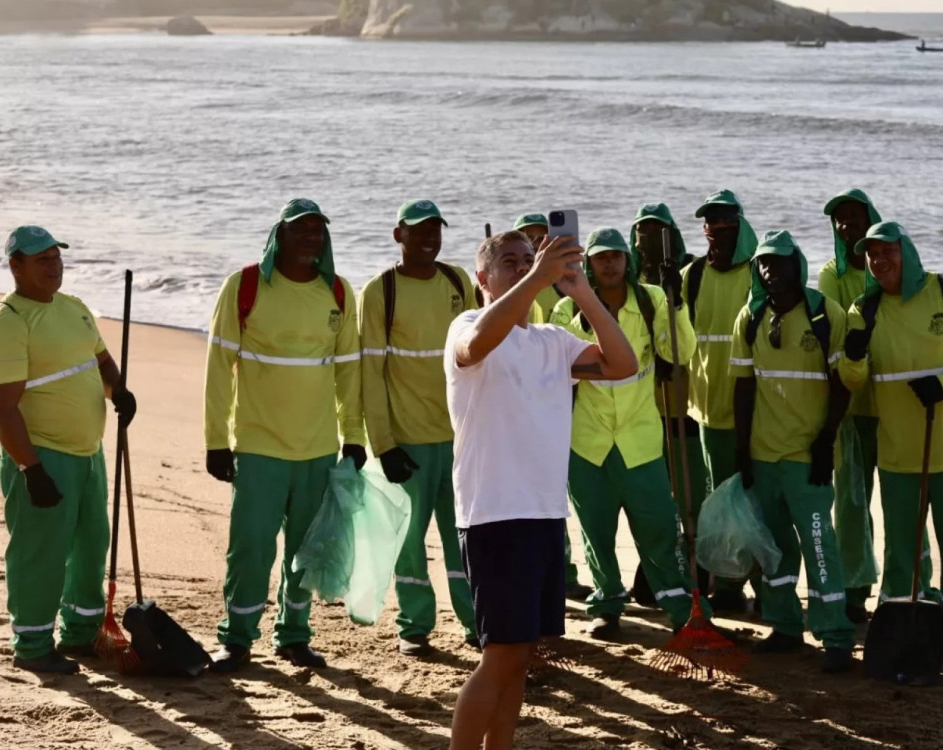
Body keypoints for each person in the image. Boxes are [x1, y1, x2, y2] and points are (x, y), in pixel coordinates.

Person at [445, 230, 635, 750]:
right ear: (483, 278)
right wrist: (536, 278)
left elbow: (623, 364)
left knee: (520, 654)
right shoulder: (467, 326)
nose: (526, 267)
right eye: (510, 262)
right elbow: (475, 345)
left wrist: (581, 292)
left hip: (545, 514)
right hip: (495, 515)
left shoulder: (552, 341)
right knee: (500, 656)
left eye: (530, 260)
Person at [203, 198, 365, 672]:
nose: (311, 238)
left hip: (318, 448)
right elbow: (217, 366)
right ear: (280, 235)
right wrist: (216, 439)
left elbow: (349, 371)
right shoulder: (246, 286)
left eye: (317, 230)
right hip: (258, 445)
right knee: (251, 546)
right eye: (301, 230)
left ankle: (293, 635)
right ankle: (236, 639)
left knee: (306, 550)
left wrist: (353, 436)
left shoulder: (337, 291)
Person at [839, 221, 943, 666]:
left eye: (886, 251)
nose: (879, 261)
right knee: (902, 552)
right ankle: (899, 623)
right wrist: (852, 354)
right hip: (898, 456)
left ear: (905, 251)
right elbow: (853, 382)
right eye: (872, 255)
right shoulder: (864, 309)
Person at [0, 225, 136, 674]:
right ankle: (31, 647)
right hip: (43, 456)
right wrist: (31, 469)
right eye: (41, 259)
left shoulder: (76, 309)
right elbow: (1, 408)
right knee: (40, 550)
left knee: (90, 546)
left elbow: (103, 364)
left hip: (90, 453)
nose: (53, 266)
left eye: (56, 257)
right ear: (15, 266)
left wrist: (119, 391)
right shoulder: (7, 321)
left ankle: (80, 635)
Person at [550, 228, 697, 639]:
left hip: (640, 437)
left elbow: (680, 353)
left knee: (659, 527)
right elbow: (561, 367)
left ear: (627, 259)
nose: (610, 264)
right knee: (596, 530)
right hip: (587, 440)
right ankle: (606, 604)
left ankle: (678, 605)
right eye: (600, 258)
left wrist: (677, 302)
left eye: (616, 256)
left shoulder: (651, 300)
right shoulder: (566, 309)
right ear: (588, 264)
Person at [730, 230, 855, 673]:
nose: (769, 270)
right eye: (763, 263)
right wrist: (742, 450)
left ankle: (835, 634)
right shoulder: (750, 316)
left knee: (820, 544)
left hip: (808, 456)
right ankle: (784, 626)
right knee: (774, 550)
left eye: (779, 263)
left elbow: (843, 384)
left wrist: (825, 442)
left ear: (796, 266)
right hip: (765, 456)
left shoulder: (826, 315)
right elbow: (743, 387)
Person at [360, 200, 480, 657]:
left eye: (436, 230)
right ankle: (414, 626)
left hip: (460, 437)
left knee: (465, 535)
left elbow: (479, 355)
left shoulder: (457, 282)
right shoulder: (379, 292)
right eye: (419, 231)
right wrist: (383, 444)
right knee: (410, 542)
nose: (429, 239)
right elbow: (370, 373)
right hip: (407, 440)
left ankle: (476, 621)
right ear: (399, 236)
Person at [629, 202, 708, 604]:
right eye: (642, 230)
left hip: (685, 404)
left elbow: (693, 333)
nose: (647, 238)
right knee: (658, 499)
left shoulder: (690, 273)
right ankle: (656, 570)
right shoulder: (629, 281)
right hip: (644, 409)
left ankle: (697, 572)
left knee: (691, 495)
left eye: (656, 230)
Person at [686, 189, 760, 614]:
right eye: (710, 223)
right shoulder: (693, 275)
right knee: (720, 504)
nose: (716, 231)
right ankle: (729, 587)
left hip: (756, 413)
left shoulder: (758, 272)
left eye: (724, 223)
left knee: (756, 502)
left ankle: (767, 588)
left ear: (739, 225)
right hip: (707, 413)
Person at [513, 212, 594, 601]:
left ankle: (564, 571)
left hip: (562, 404)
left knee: (552, 499)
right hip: (521, 412)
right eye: (526, 238)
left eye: (539, 237)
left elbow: (570, 351)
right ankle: (546, 577)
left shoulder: (561, 285)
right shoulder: (518, 285)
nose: (534, 243)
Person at [817, 188, 883, 624]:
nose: (846, 225)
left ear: (869, 220)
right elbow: (838, 332)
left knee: (901, 502)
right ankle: (855, 589)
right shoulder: (830, 275)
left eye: (854, 217)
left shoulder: (890, 269)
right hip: (850, 403)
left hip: (897, 406)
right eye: (839, 220)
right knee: (853, 501)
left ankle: (914, 588)